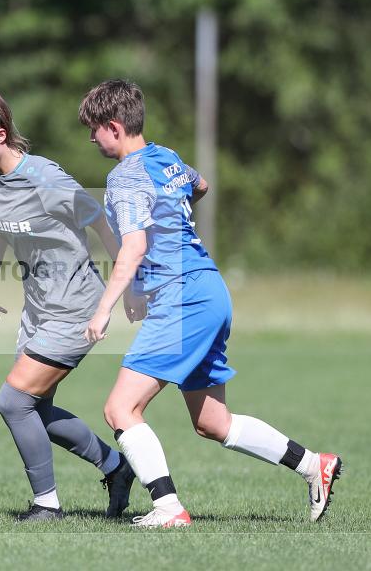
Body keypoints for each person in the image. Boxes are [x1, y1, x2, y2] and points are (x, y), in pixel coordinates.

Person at [79, 79, 342, 527]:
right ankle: (312, 464)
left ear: (114, 126)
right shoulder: (165, 157)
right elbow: (199, 185)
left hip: (184, 300)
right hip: (210, 292)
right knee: (213, 422)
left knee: (120, 409)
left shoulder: (123, 177)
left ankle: (167, 508)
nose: (91, 139)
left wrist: (105, 306)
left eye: (94, 130)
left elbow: (133, 247)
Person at [0, 84, 142, 521]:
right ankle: (116, 468)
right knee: (35, 407)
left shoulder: (47, 179)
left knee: (13, 402)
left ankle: (47, 506)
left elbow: (104, 226)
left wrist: (124, 288)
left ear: (1, 135)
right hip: (37, 308)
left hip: (75, 306)